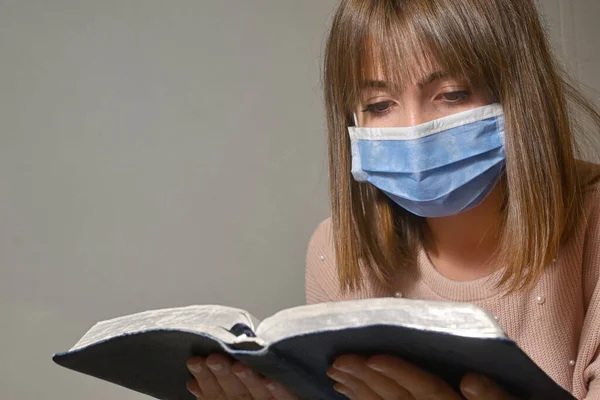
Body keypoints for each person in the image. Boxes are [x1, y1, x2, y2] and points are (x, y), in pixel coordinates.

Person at [186, 0, 600, 398]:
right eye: (380, 105)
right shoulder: (337, 254)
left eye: (452, 94)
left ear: (519, 94)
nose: (415, 131)